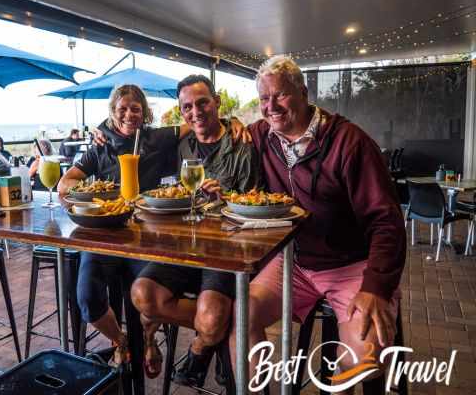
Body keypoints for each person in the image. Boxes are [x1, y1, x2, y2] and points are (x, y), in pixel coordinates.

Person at [232, 56, 406, 391]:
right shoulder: (260, 137)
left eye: (280, 95)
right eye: (263, 99)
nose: (271, 107)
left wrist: (376, 286)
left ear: (303, 92)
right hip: (294, 263)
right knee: (242, 316)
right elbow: (214, 135)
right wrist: (224, 125)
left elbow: (387, 220)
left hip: (352, 265)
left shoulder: (349, 142)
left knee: (365, 358)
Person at [57, 84, 249, 366]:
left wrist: (231, 120)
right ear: (112, 111)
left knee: (151, 292)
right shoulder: (101, 145)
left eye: (136, 108)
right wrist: (99, 196)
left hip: (144, 236)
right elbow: (65, 183)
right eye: (122, 108)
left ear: (144, 113)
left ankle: (147, 337)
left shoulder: (156, 138)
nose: (129, 114)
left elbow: (196, 121)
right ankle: (121, 340)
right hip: (105, 236)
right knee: (87, 298)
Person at [131, 75, 260, 386]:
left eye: (203, 102)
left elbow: (253, 203)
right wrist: (101, 133)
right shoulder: (183, 145)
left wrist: (225, 200)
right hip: (186, 244)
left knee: (211, 316)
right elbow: (131, 134)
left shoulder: (241, 143)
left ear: (216, 103)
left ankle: (202, 345)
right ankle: (219, 330)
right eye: (187, 106)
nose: (196, 111)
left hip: (226, 248)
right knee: (142, 294)